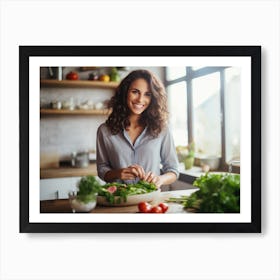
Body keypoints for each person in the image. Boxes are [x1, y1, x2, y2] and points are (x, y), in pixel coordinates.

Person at [96, 69, 179, 188]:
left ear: (153, 98)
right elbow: (101, 169)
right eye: (135, 92)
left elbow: (173, 170)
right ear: (125, 93)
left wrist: (160, 179)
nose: (140, 99)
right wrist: (118, 173)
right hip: (118, 199)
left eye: (147, 94)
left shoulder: (162, 129)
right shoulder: (104, 131)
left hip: (150, 201)